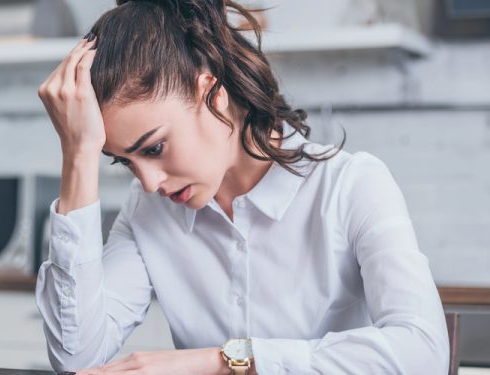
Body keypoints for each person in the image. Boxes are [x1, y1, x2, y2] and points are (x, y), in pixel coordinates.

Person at [35, 0, 449, 374]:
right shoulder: (148, 211)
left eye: (156, 147)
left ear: (212, 94)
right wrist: (78, 154)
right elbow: (77, 357)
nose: (148, 182)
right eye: (125, 161)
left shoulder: (351, 186)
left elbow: (423, 353)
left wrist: (225, 361)